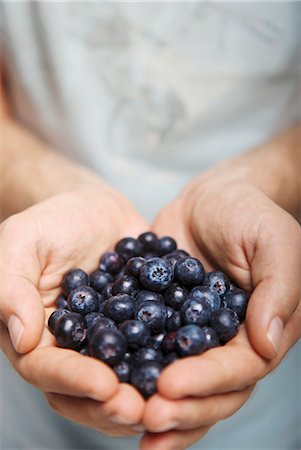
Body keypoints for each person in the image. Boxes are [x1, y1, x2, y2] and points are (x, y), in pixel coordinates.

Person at [0, 2, 300, 450]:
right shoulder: (114, 296)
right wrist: (43, 182)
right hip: (30, 411)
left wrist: (268, 179)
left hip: (261, 398)